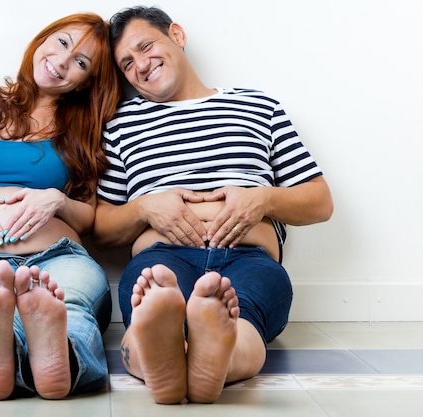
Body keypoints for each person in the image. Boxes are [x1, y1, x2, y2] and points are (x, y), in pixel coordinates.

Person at [93, 6, 334, 405]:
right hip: (163, 257)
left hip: (249, 258)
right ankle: (173, 353)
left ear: (177, 35)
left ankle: (208, 357)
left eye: (146, 46)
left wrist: (264, 198)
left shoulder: (259, 107)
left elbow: (320, 201)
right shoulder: (120, 125)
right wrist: (144, 209)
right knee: (154, 301)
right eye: (127, 63)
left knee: (244, 320)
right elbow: (100, 229)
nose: (141, 65)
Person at [0, 13, 121, 400]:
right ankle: (4, 355)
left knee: (71, 305)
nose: (63, 61)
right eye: (63, 43)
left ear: (86, 82)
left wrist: (57, 200)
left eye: (81, 63)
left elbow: (90, 217)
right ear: (43, 39)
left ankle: (50, 354)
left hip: (59, 258)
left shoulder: (84, 128)